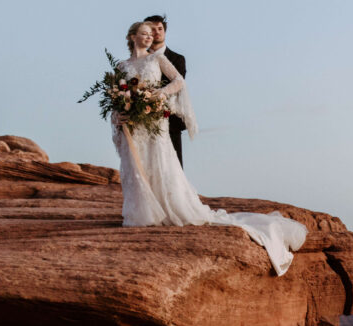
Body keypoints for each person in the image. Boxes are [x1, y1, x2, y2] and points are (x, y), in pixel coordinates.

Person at [112, 20, 307, 276]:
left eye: (151, 35)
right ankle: (142, 211)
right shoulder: (121, 66)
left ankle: (167, 208)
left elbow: (178, 81)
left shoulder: (156, 61)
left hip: (153, 119)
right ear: (132, 36)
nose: (149, 38)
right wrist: (120, 115)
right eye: (144, 34)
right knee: (136, 165)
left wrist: (157, 96)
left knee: (159, 163)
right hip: (134, 125)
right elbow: (115, 95)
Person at [143, 14, 186, 167]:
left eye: (160, 29)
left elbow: (176, 85)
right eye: (152, 30)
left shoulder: (177, 58)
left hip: (170, 119)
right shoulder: (139, 60)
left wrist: (154, 95)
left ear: (165, 32)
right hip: (144, 120)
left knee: (174, 168)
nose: (157, 33)